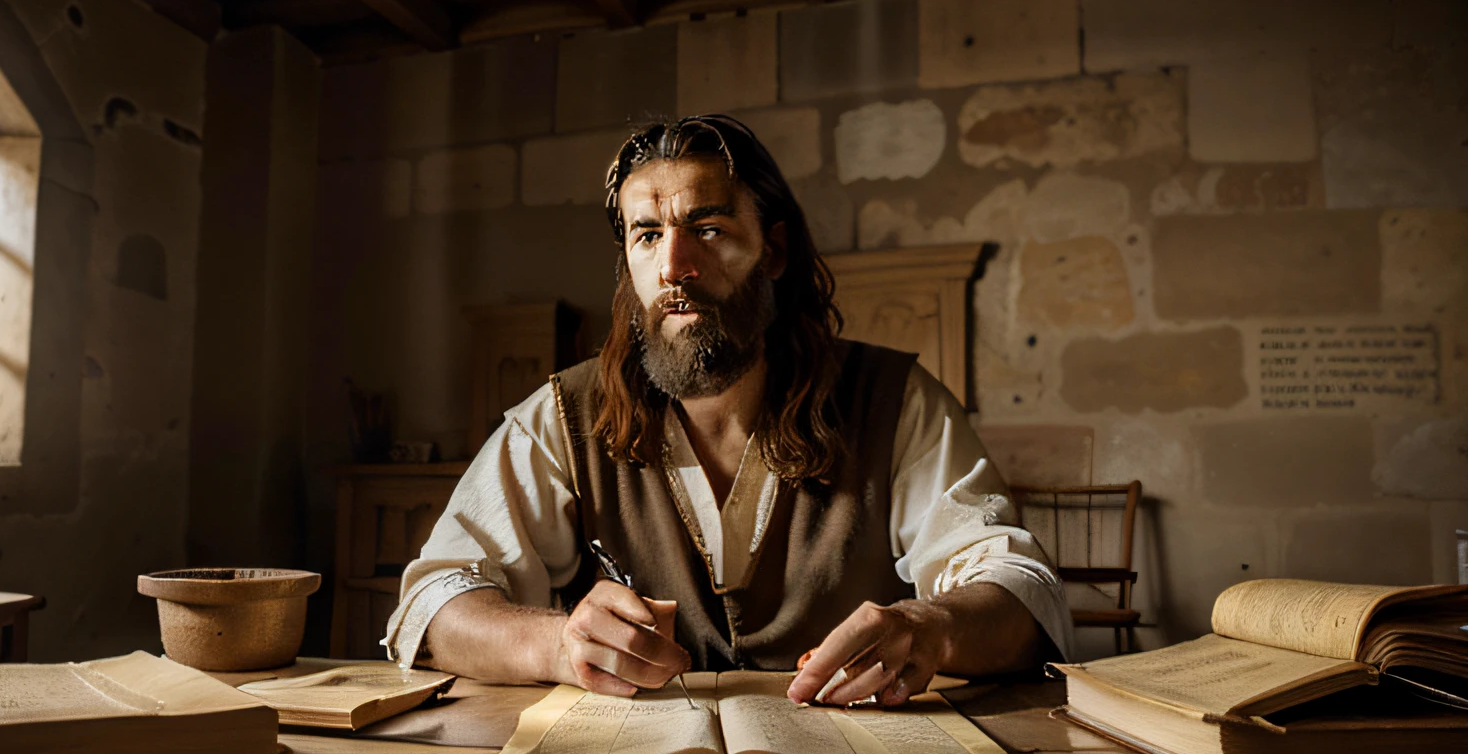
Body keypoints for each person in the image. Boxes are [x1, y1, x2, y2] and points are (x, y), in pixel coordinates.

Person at [383, 114, 1073, 707]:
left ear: (771, 249)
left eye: (707, 229)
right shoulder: (564, 415)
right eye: (647, 234)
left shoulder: (893, 399)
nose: (674, 266)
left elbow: (1022, 589)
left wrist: (929, 628)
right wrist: (557, 645)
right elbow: (432, 606)